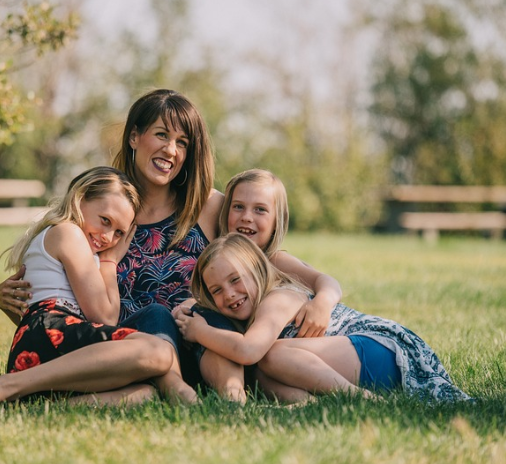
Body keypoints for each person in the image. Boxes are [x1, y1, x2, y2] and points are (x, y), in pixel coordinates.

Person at [0, 90, 342, 402]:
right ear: (134, 136)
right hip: (127, 351)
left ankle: (231, 399)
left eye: (182, 142)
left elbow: (266, 261)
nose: (170, 151)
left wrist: (324, 296)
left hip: (209, 349)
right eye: (161, 135)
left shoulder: (208, 207)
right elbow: (61, 298)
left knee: (198, 313)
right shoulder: (106, 211)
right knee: (156, 315)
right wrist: (4, 299)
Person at [176, 172, 470, 403]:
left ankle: (361, 400)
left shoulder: (277, 268)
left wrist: (323, 302)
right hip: (341, 357)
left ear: (277, 220)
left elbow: (323, 283)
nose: (247, 217)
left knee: (271, 356)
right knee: (262, 375)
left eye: (260, 210)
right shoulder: (232, 269)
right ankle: (310, 405)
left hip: (381, 349)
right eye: (238, 207)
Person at [0, 167, 174, 407]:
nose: (108, 237)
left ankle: (39, 406)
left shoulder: (72, 241)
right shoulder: (68, 233)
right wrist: (110, 261)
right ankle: (5, 385)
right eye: (105, 221)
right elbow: (104, 316)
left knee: (145, 393)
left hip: (49, 344)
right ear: (80, 200)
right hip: (49, 331)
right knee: (158, 351)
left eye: (119, 233)